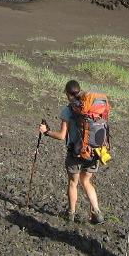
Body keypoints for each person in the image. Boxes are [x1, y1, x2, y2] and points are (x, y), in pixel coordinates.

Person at [39, 79, 106, 224]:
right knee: (86, 181)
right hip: (94, 152)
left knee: (73, 182)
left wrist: (47, 132)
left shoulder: (68, 110)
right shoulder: (92, 107)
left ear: (67, 94)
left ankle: (71, 213)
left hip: (75, 153)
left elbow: (62, 136)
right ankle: (97, 212)